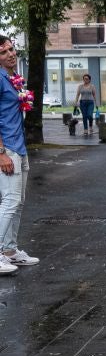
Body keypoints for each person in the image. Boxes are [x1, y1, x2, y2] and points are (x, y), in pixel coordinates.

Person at [0, 36, 39, 274]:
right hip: (8, 149)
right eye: (3, 52)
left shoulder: (12, 79)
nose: (10, 54)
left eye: (11, 49)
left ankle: (10, 251)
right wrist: (1, 153)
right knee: (10, 201)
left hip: (19, 146)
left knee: (19, 202)